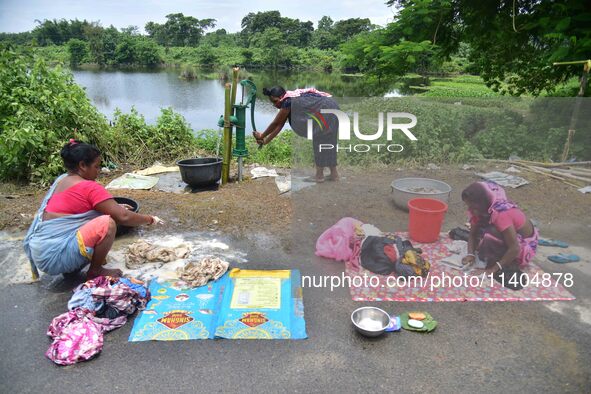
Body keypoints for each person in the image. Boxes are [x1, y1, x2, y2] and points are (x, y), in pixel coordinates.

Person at [24, 139, 163, 279]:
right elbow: (124, 216)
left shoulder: (62, 179)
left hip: (42, 253)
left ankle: (71, 268)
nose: (99, 171)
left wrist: (115, 206)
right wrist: (150, 219)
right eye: (96, 166)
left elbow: (74, 213)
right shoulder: (89, 187)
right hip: (56, 257)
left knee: (100, 218)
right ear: (83, 165)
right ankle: (95, 271)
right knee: (107, 224)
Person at [253, 86, 339, 183]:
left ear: (281, 97)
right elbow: (279, 125)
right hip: (333, 107)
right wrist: (265, 141)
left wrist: (261, 136)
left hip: (326, 110)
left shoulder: (287, 101)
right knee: (329, 141)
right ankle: (334, 174)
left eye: (275, 101)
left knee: (319, 140)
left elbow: (275, 123)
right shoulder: (289, 99)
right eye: (272, 102)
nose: (275, 105)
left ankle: (319, 176)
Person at [461, 181, 538, 274]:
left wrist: (492, 269)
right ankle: (494, 255)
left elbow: (514, 248)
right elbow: (472, 234)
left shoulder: (501, 214)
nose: (471, 210)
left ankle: (505, 263)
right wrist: (470, 254)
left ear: (483, 203)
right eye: (469, 206)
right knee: (481, 229)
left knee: (490, 235)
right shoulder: (480, 210)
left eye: (474, 208)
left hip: (522, 248)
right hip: (510, 239)